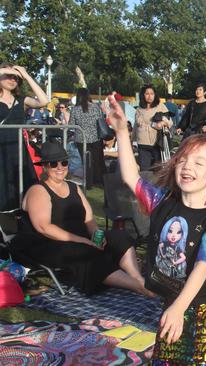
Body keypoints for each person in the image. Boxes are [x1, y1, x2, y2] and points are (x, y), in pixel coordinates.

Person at [108, 95, 206, 365]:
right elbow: (130, 177)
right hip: (171, 302)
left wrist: (180, 307)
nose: (188, 167)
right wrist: (122, 131)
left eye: (199, 163)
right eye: (183, 160)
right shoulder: (162, 203)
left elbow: (204, 266)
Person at [8, 141, 151, 296]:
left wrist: (97, 235)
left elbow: (89, 218)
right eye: (54, 163)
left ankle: (137, 277)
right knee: (85, 250)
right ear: (45, 166)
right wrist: (83, 241)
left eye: (64, 162)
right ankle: (137, 286)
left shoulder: (73, 187)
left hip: (80, 238)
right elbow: (44, 227)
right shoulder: (38, 190)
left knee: (118, 236)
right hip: (48, 243)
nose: (60, 167)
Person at [0, 63, 48, 211]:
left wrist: (26, 75)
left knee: (23, 188)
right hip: (1, 151)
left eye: (15, 77)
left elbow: (44, 101)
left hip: (19, 150)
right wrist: (7, 69)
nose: (12, 79)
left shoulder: (22, 100)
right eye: (8, 76)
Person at [69, 88, 104, 188]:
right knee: (97, 160)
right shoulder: (96, 107)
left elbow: (71, 125)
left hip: (81, 138)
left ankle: (89, 183)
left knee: (86, 161)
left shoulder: (75, 109)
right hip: (95, 137)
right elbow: (100, 121)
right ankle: (98, 181)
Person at [134, 84, 172, 170]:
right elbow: (135, 125)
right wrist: (132, 141)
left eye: (152, 93)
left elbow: (170, 122)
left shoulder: (161, 106)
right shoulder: (139, 109)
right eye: (147, 93)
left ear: (155, 95)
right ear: (143, 95)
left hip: (157, 143)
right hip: (142, 143)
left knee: (158, 169)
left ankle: (158, 184)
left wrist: (163, 122)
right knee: (144, 169)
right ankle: (146, 183)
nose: (149, 96)